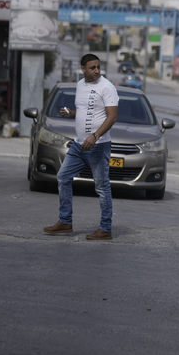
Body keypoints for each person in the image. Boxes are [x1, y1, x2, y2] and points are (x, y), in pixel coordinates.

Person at [43, 54, 119, 239]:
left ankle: (105, 228)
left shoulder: (107, 87)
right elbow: (87, 111)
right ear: (83, 69)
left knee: (102, 187)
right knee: (63, 177)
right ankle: (65, 222)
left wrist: (95, 136)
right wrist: (71, 113)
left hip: (98, 146)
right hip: (78, 145)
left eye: (98, 67)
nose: (97, 71)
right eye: (92, 68)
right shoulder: (80, 85)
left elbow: (112, 117)